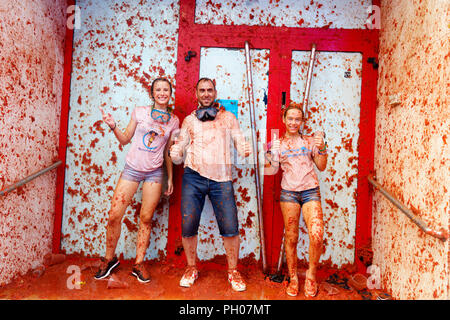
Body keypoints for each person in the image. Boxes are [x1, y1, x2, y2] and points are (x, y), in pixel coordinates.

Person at [170, 77, 252, 292]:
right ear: (196, 94)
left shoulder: (229, 118)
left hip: (221, 178)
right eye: (202, 90)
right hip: (193, 177)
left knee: (230, 226)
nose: (206, 94)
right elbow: (180, 148)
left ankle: (233, 271)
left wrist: (245, 148)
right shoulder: (189, 121)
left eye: (210, 90)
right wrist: (175, 152)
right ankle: (191, 268)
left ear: (215, 93)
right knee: (188, 224)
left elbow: (239, 141)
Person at [95, 77, 179, 283]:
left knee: (146, 218)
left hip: (154, 173)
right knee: (114, 215)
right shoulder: (139, 111)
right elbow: (125, 139)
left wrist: (170, 178)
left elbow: (168, 151)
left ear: (170, 94)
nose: (162, 93)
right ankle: (109, 259)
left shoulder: (174, 120)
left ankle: (138, 263)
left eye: (166, 90)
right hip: (132, 170)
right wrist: (113, 125)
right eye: (158, 90)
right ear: (152, 94)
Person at [266, 104, 327, 297]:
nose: (293, 122)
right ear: (284, 120)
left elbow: (322, 166)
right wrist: (270, 153)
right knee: (291, 238)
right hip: (289, 194)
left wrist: (323, 146)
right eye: (290, 118)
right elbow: (270, 169)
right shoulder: (278, 143)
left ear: (302, 121)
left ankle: (311, 276)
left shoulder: (309, 141)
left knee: (317, 234)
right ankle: (293, 278)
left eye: (297, 119)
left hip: (310, 191)